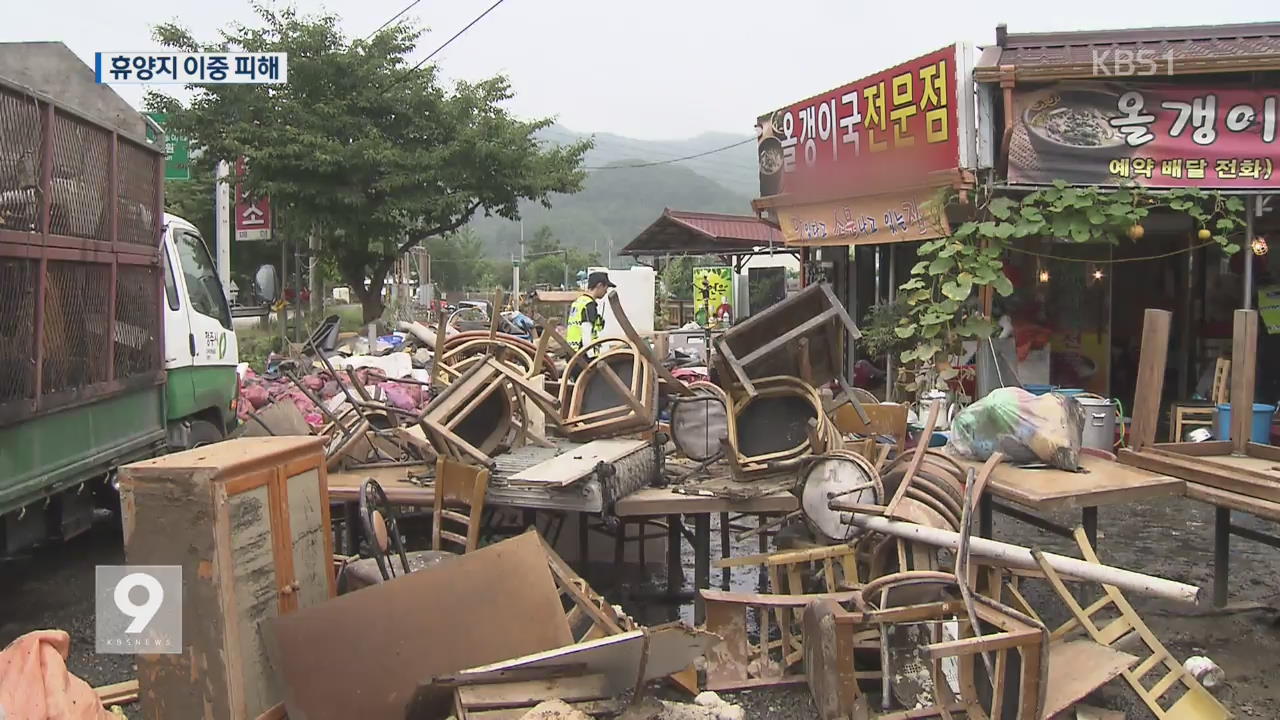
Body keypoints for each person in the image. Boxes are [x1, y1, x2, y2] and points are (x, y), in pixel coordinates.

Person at [566, 271, 616, 354]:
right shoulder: (589, 305)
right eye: (605, 288)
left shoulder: (578, 302)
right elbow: (586, 331)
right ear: (599, 285)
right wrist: (590, 355)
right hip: (581, 354)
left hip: (572, 350)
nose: (606, 292)